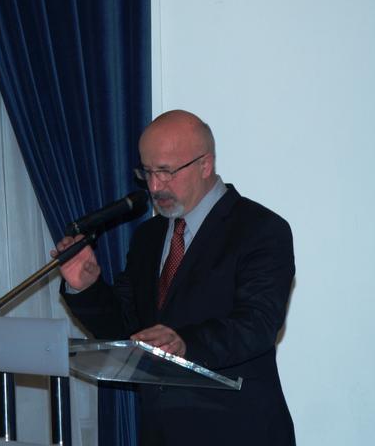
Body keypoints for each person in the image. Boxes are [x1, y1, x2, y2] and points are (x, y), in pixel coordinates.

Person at [54, 110, 296, 445]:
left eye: (166, 172)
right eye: (147, 173)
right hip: (160, 433)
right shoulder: (148, 237)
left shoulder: (260, 229)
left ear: (205, 164)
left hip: (237, 429)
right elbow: (125, 329)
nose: (155, 186)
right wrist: (86, 287)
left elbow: (258, 324)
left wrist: (184, 343)